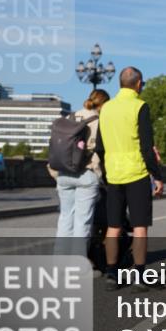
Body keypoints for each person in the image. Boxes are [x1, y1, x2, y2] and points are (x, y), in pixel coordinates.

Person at [97, 67, 164, 292]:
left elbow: (100, 147)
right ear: (138, 83)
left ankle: (111, 273)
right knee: (139, 227)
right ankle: (139, 275)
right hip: (136, 173)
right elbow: (146, 147)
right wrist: (157, 176)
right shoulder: (140, 106)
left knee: (113, 227)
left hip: (114, 174)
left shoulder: (106, 108)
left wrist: (107, 172)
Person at [52, 89, 109, 257]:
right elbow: (102, 151)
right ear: (104, 104)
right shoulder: (99, 121)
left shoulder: (71, 117)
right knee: (82, 222)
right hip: (86, 173)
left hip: (64, 173)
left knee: (65, 219)